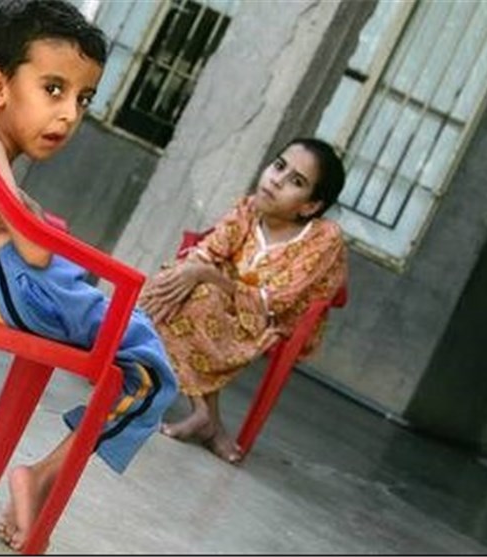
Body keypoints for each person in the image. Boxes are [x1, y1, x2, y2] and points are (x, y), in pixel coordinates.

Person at [0, 0, 177, 550]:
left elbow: (7, 216)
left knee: (116, 323)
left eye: (83, 98)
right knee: (150, 368)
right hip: (6, 285)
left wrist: (31, 216)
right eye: (53, 90)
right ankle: (42, 476)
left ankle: (43, 474)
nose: (69, 114)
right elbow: (35, 249)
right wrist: (36, 226)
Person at [139, 137, 347, 465]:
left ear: (309, 206)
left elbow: (274, 302)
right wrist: (194, 271)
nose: (276, 180)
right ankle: (205, 415)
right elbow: (207, 253)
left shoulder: (324, 238)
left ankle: (203, 416)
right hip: (223, 302)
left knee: (200, 291)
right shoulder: (248, 209)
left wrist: (204, 275)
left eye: (296, 181)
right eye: (279, 166)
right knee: (176, 280)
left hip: (273, 321)